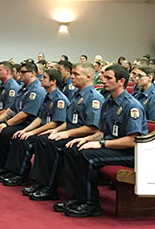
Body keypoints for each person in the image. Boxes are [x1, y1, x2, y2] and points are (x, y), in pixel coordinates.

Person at [58, 64, 148, 218]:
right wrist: (85, 139)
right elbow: (101, 132)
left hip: (130, 152)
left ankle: (90, 204)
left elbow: (133, 140)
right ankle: (77, 197)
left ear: (121, 81)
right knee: (74, 148)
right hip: (112, 146)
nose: (103, 81)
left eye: (108, 78)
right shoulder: (108, 102)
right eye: (103, 77)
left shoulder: (131, 105)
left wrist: (101, 144)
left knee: (88, 156)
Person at [24, 62, 104, 201]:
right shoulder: (77, 95)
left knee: (52, 144)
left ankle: (51, 188)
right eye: (72, 74)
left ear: (88, 77)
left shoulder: (93, 97)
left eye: (76, 74)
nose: (72, 77)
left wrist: (67, 133)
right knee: (44, 138)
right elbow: (70, 122)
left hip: (84, 137)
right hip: (72, 133)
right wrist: (56, 130)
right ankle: (42, 183)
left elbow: (92, 127)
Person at [0, 69, 69, 186]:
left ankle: (22, 176)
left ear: (53, 81)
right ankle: (13, 171)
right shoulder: (47, 96)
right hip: (43, 129)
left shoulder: (59, 99)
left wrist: (32, 132)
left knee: (26, 140)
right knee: (19, 136)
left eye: (44, 77)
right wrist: (25, 130)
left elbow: (55, 123)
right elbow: (40, 118)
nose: (41, 79)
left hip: (50, 131)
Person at [0, 61, 46, 177]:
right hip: (20, 121)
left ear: (32, 73)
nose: (20, 74)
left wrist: (6, 124)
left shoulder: (36, 90)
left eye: (23, 72)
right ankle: (1, 165)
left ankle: (16, 172)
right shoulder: (23, 88)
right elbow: (11, 109)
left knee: (7, 132)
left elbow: (25, 114)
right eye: (20, 72)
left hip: (28, 124)